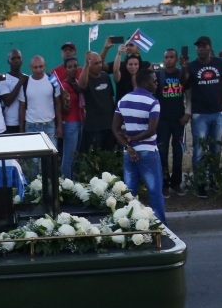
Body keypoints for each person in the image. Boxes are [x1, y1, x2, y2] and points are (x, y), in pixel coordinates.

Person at [112, 67, 165, 223]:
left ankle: (130, 225)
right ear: (144, 83)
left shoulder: (123, 100)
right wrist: (133, 139)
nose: (157, 83)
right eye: (154, 81)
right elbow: (151, 130)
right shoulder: (153, 102)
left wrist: (128, 145)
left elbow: (115, 128)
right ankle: (161, 227)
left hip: (129, 153)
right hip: (149, 152)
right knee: (155, 192)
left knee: (130, 193)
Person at [184, 36, 222, 198]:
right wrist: (184, 69)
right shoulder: (191, 66)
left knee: (216, 149)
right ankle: (200, 183)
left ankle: (214, 180)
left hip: (218, 112)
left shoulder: (219, 63)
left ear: (210, 47)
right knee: (199, 150)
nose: (200, 48)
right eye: (198, 46)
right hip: (199, 114)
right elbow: (184, 84)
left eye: (203, 46)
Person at [155, 49, 188, 196]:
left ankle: (176, 183)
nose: (168, 60)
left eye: (171, 57)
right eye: (166, 57)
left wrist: (188, 113)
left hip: (179, 120)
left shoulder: (181, 74)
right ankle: (164, 184)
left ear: (176, 59)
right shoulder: (158, 75)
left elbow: (189, 92)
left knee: (178, 152)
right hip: (162, 120)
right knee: (162, 152)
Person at [77, 50, 117, 152]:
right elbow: (81, 85)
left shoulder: (106, 77)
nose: (99, 65)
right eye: (96, 63)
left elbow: (110, 98)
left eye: (100, 62)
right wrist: (86, 65)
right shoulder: (86, 79)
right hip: (93, 127)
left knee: (108, 155)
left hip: (108, 125)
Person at [18, 54, 62, 145]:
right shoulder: (25, 83)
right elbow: (21, 107)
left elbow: (58, 104)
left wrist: (60, 126)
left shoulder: (52, 80)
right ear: (30, 67)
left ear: (45, 65)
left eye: (40, 66)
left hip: (49, 125)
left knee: (51, 157)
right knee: (34, 159)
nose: (38, 70)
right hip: (31, 126)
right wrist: (21, 130)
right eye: (35, 67)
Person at [58, 56, 83, 178]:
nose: (73, 69)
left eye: (75, 66)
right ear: (65, 69)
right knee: (68, 158)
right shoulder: (64, 86)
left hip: (80, 122)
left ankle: (73, 183)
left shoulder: (78, 82)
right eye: (70, 67)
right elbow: (64, 111)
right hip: (70, 124)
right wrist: (66, 102)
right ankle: (66, 185)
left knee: (75, 157)